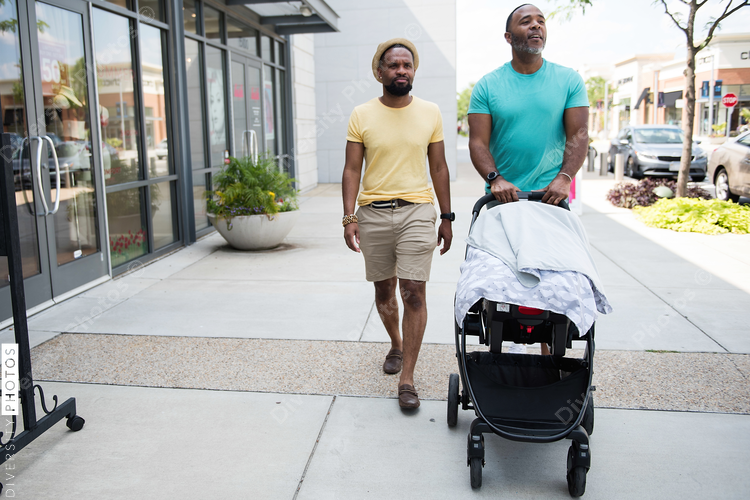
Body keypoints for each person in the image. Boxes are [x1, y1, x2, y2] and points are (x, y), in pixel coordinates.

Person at [468, 3, 589, 354]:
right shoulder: (488, 85)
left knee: (555, 284)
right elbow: (477, 141)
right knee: (499, 285)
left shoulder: (567, 79)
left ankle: (553, 359)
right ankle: (494, 362)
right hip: (502, 204)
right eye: (526, 22)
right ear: (509, 36)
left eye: (541, 21)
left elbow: (578, 134)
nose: (536, 26)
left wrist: (565, 177)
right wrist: (495, 178)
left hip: (550, 201)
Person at [342, 38, 453, 409]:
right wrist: (349, 217)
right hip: (373, 212)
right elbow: (352, 169)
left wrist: (447, 216)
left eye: (407, 65)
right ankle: (395, 343)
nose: (401, 71)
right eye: (394, 65)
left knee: (414, 291)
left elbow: (438, 167)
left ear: (413, 71)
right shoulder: (361, 114)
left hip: (418, 210)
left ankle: (407, 378)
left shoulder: (430, 112)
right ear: (380, 72)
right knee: (384, 292)